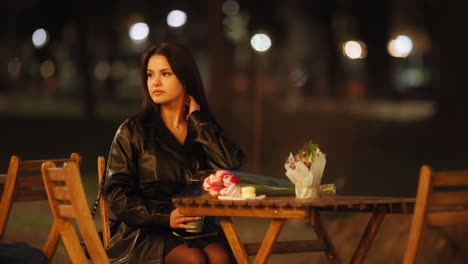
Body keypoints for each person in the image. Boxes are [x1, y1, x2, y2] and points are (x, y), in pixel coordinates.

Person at [104, 42, 246, 264]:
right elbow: (117, 195)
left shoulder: (202, 128)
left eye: (165, 74)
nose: (155, 82)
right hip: (146, 232)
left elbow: (230, 164)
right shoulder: (132, 131)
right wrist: (165, 218)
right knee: (193, 259)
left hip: (197, 229)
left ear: (185, 78)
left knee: (219, 258)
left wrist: (198, 122)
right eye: (150, 75)